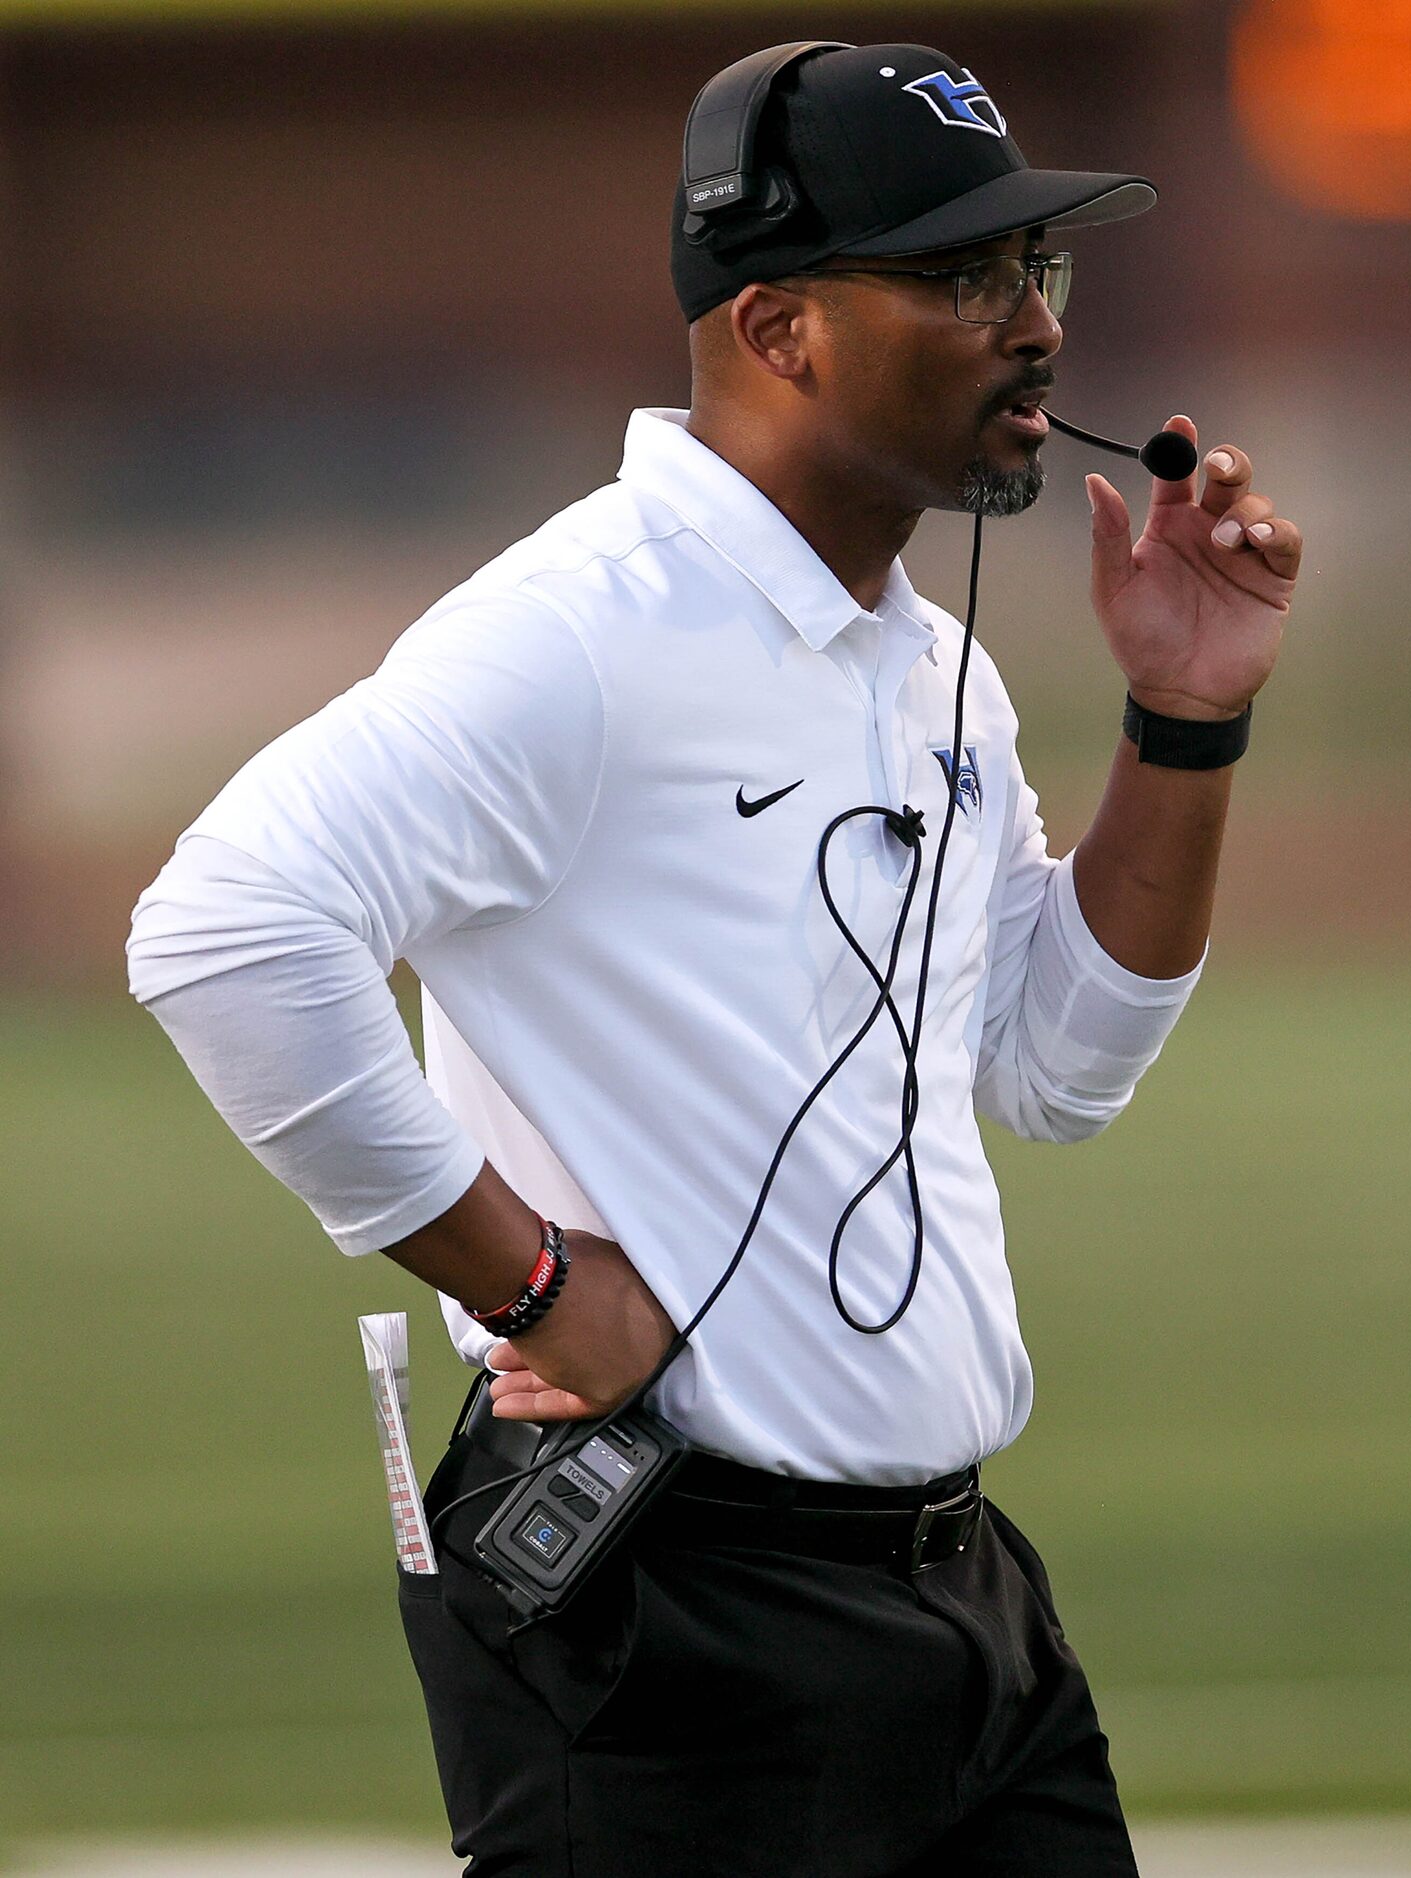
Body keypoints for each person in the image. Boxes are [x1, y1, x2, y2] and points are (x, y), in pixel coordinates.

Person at [126, 40, 1302, 1878]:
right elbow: (223, 930)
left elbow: (1057, 1073)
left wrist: (1183, 718)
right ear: (776, 328)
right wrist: (521, 1276)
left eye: (1032, 271)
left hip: (964, 1607)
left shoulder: (934, 671)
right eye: (958, 273)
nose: (1035, 325)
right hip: (667, 1620)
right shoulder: (581, 635)